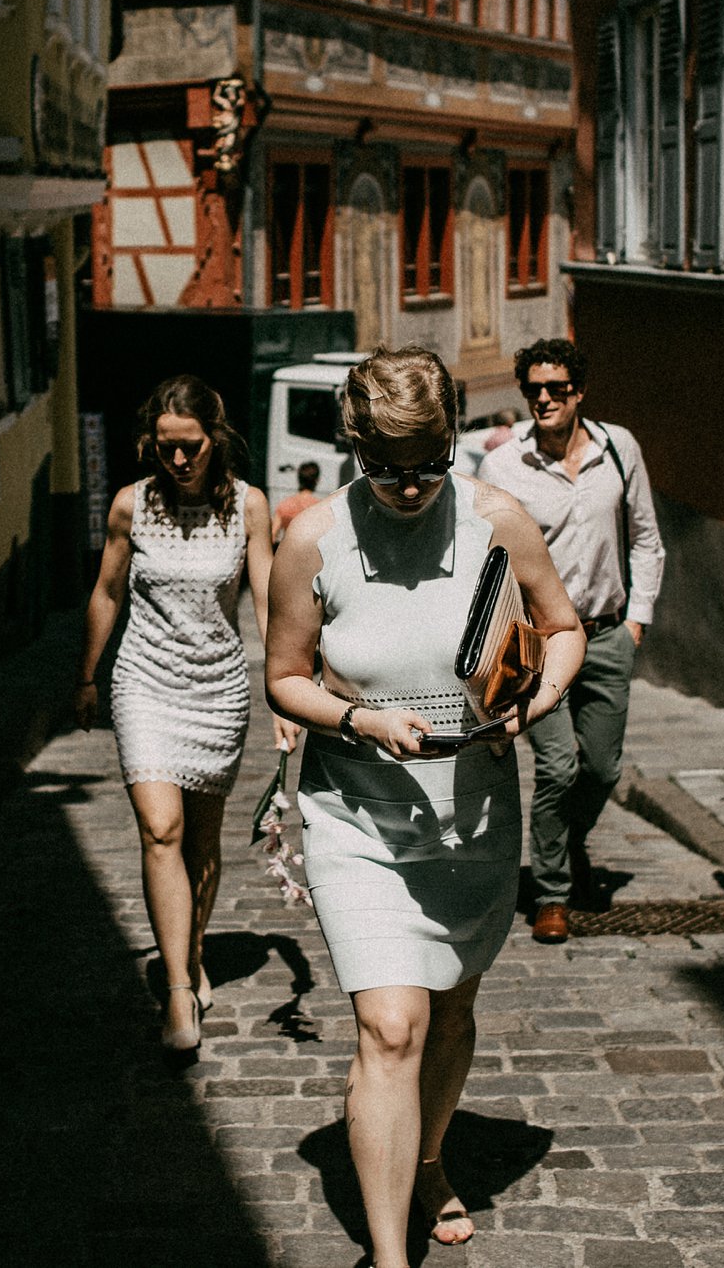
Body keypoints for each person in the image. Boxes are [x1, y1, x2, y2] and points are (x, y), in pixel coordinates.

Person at [266, 347, 585, 1261]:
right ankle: (389, 1253)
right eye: (386, 467)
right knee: (390, 1022)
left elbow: (563, 627)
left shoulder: (499, 521)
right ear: (353, 445)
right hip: (357, 813)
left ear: (453, 439)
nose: (409, 487)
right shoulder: (312, 538)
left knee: (447, 1009)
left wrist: (537, 695)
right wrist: (359, 717)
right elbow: (285, 678)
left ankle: (432, 1155)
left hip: (473, 814)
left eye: (429, 462)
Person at [76, 375, 295, 1052]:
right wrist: (87, 675)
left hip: (217, 687)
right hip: (144, 681)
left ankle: (192, 950)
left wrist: (282, 688)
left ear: (215, 438)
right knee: (160, 828)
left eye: (190, 447)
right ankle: (177, 987)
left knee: (202, 841)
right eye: (165, 448)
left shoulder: (249, 507)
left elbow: (265, 597)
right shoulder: (129, 506)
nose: (177, 461)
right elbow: (107, 592)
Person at [475, 337, 664, 935]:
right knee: (558, 766)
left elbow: (646, 540)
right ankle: (551, 892)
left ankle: (563, 845)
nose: (544, 399)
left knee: (602, 771)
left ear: (578, 391)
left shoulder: (618, 448)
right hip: (540, 641)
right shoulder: (504, 465)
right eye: (533, 389)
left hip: (607, 635)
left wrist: (637, 621)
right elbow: (489, 559)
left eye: (556, 388)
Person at [272, 460, 323, 544]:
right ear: (317, 480)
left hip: (289, 552)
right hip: (311, 554)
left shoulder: (285, 504)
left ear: (299, 479)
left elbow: (273, 535)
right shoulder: (320, 507)